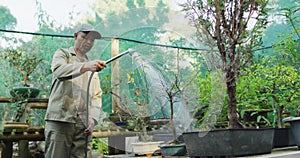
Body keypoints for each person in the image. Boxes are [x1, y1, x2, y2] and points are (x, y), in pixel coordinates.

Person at [44, 23, 106, 158]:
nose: (88, 42)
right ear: (76, 36)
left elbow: (97, 95)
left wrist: (93, 118)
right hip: (61, 119)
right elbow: (59, 71)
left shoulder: (93, 67)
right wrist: (85, 66)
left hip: (83, 125)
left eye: (92, 40)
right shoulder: (63, 54)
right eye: (85, 37)